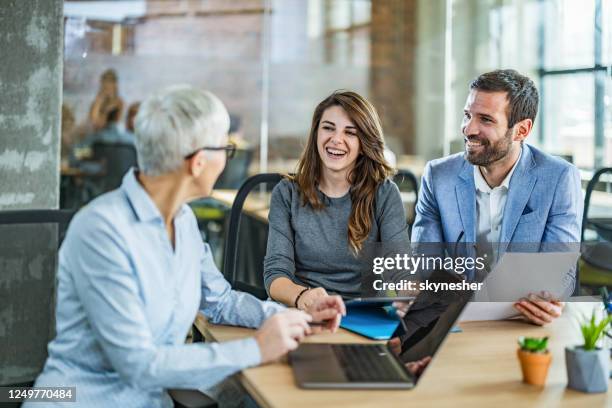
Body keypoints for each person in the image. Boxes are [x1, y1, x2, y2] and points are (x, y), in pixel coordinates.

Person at [28, 85, 345, 407]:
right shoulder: (101, 232)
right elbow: (139, 365)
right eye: (225, 148)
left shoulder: (182, 222)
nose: (227, 158)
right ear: (197, 163)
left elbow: (220, 302)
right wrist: (256, 349)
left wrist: (298, 316)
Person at [410, 69, 583, 325]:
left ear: (521, 130)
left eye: (486, 120)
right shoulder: (438, 176)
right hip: (456, 319)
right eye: (467, 115)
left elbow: (560, 268)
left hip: (522, 319)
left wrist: (550, 299)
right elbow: (423, 263)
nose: (469, 129)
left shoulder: (558, 178)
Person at [263, 90, 409, 309]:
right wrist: (304, 297)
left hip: (364, 316)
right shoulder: (287, 193)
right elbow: (276, 274)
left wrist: (407, 296)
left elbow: (400, 268)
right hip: (303, 313)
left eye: (350, 132)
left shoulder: (384, 193)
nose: (336, 139)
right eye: (328, 128)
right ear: (316, 134)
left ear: (364, 144)